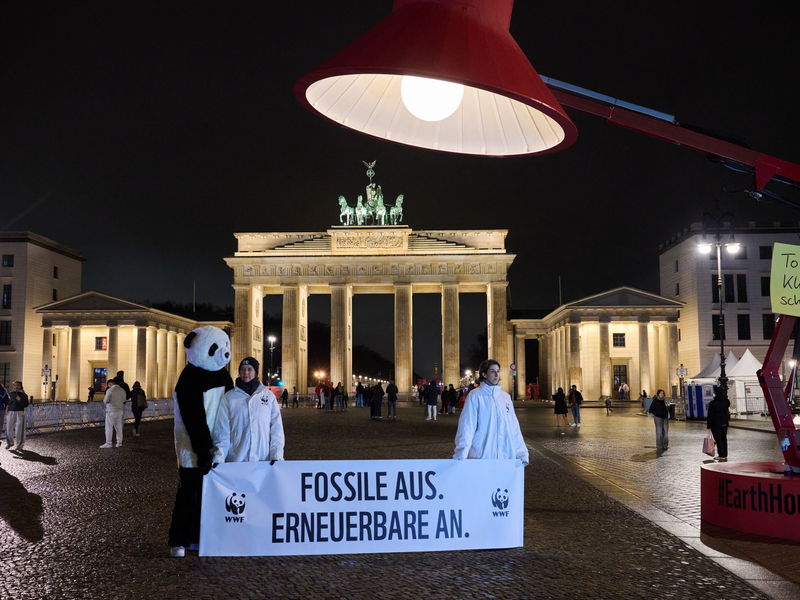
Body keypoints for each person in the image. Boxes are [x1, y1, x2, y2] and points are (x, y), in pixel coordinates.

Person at [453, 360, 529, 465]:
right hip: (483, 455)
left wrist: (522, 454)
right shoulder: (475, 396)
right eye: (492, 371)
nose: (497, 374)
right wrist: (461, 453)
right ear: (484, 374)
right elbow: (467, 426)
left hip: (505, 455)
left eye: (498, 371)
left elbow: (514, 427)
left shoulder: (505, 397)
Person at [212, 357, 285, 464]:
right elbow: (222, 430)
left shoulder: (269, 397)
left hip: (262, 460)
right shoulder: (229, 397)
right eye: (242, 369)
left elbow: (276, 429)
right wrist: (219, 457)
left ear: (256, 372)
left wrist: (277, 456)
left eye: (250, 369)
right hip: (237, 461)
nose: (246, 372)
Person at [100, 378, 126, 448]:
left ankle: (108, 443)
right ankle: (119, 442)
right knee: (119, 427)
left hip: (111, 410)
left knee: (109, 427)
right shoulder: (122, 390)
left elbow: (106, 400)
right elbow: (124, 400)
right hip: (119, 410)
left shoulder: (110, 390)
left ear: (110, 384)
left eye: (108, 385)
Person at [706, 388, 730, 461]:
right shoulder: (726, 402)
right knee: (724, 439)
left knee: (718, 439)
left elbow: (710, 415)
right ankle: (725, 454)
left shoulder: (713, 403)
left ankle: (721, 454)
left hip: (716, 423)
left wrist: (709, 425)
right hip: (724, 422)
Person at [5, 381, 29, 450]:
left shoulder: (24, 395)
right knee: (9, 428)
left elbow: (25, 404)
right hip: (10, 412)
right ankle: (10, 443)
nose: (16, 387)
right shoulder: (10, 394)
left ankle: (19, 444)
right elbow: (7, 402)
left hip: (20, 412)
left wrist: (19, 399)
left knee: (19, 429)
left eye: (18, 385)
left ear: (20, 386)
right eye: (15, 385)